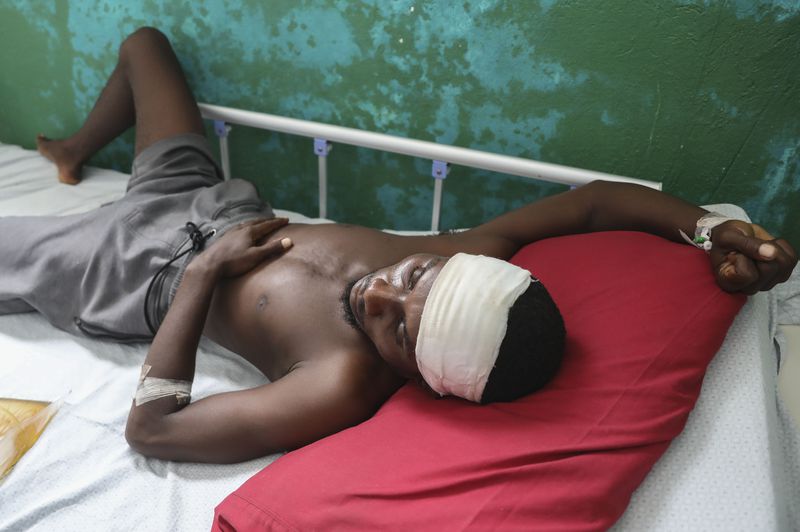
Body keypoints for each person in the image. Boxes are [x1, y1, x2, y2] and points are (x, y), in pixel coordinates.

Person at [1, 28, 796, 464]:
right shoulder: (463, 253)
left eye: (395, 328)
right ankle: (75, 152)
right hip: (208, 197)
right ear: (448, 257)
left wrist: (206, 272)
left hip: (139, 267)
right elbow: (590, 207)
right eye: (412, 272)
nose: (381, 292)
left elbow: (154, 429)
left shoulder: (339, 383)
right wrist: (703, 227)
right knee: (145, 44)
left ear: (420, 374)